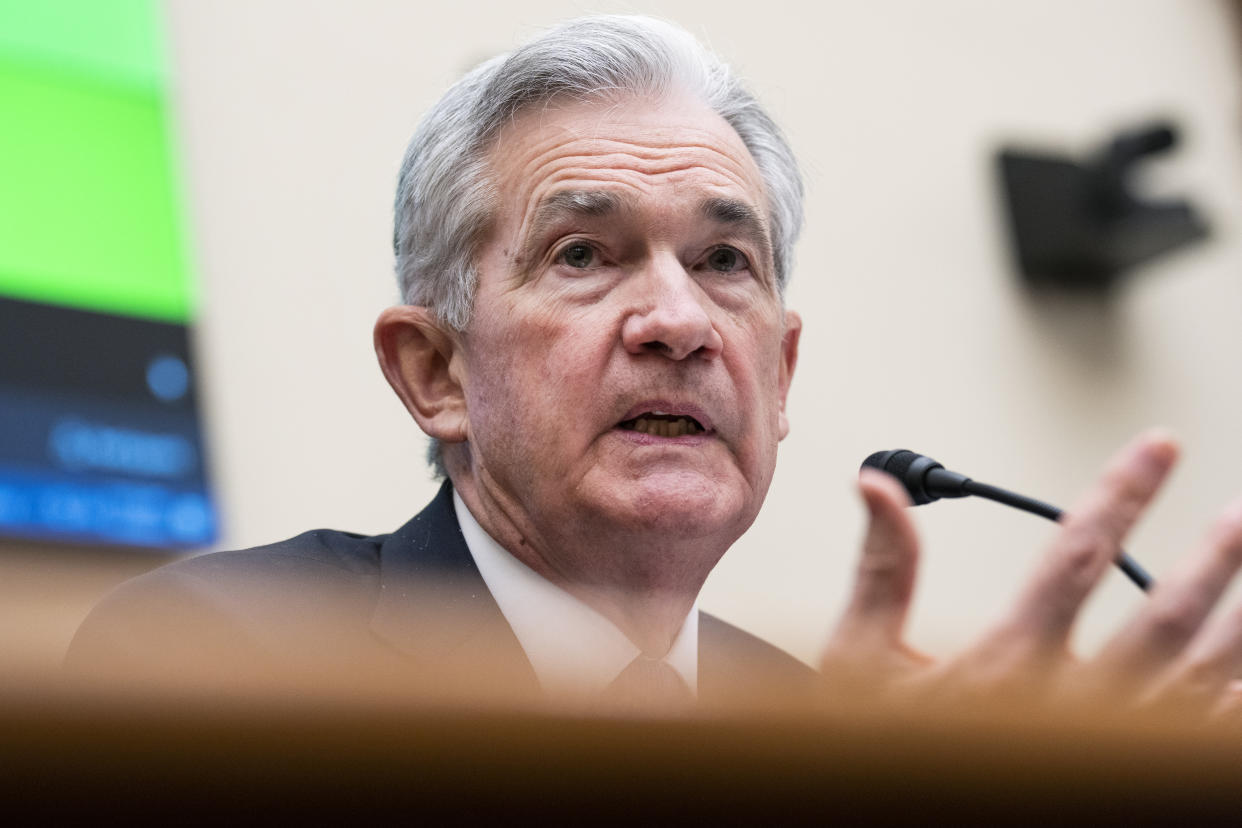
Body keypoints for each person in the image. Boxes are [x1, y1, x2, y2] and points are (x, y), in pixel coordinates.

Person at [67, 15, 1242, 716]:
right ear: (434, 371)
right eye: (585, 253)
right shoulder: (221, 656)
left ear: (780, 376)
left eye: (726, 260)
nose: (678, 321)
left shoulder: (805, 721)